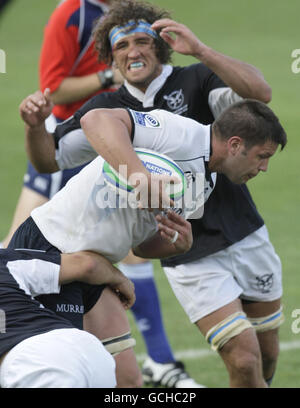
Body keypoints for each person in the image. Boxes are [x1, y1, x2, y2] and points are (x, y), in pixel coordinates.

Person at [18, 0, 285, 387]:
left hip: (236, 229)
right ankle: (161, 361)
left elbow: (260, 94)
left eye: (142, 41)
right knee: (243, 360)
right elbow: (52, 156)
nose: (133, 51)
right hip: (127, 254)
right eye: (122, 46)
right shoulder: (113, 108)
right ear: (110, 59)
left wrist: (203, 51)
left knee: (265, 355)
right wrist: (36, 127)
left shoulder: (196, 82)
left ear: (159, 47)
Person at [1, 0, 121, 248]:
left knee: (126, 248)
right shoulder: (73, 14)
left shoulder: (125, 10)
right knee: (19, 246)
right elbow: (52, 89)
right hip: (68, 138)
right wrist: (109, 77)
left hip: (108, 137)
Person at [0, 247, 136, 388]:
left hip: (33, 363)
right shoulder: (5, 261)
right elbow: (87, 264)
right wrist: (120, 279)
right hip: (87, 348)